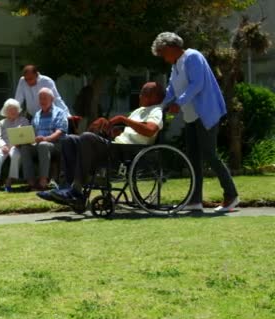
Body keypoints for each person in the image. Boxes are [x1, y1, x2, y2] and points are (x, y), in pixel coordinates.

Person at [152, 32, 239, 213]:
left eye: (163, 53)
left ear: (171, 47)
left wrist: (179, 102)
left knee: (209, 154)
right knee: (193, 158)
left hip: (206, 113)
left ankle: (231, 195)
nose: (164, 58)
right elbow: (171, 90)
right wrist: (159, 107)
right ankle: (194, 200)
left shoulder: (192, 57)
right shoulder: (176, 65)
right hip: (191, 117)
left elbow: (197, 84)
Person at [39, 82, 165, 204]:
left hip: (128, 152)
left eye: (144, 92)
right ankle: (65, 187)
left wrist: (123, 119)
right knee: (69, 140)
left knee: (87, 137)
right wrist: (109, 128)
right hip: (117, 146)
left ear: (154, 97)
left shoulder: (156, 111)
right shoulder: (139, 111)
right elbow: (128, 133)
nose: (140, 95)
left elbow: (150, 130)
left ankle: (76, 190)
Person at [21, 88, 68, 190]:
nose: (42, 101)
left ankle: (43, 181)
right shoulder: (37, 114)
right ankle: (31, 182)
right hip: (39, 144)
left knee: (43, 145)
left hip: (57, 144)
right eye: (40, 98)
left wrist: (46, 139)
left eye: (44, 98)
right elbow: (32, 131)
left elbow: (60, 131)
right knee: (25, 147)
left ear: (51, 99)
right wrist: (28, 138)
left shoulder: (60, 113)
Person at [0, 99, 29, 193]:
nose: (13, 111)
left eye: (15, 109)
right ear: (6, 111)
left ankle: (9, 181)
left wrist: (18, 143)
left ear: (18, 110)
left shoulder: (23, 121)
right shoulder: (1, 123)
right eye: (10, 109)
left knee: (15, 155)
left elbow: (27, 134)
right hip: (3, 146)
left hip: (17, 145)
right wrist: (3, 146)